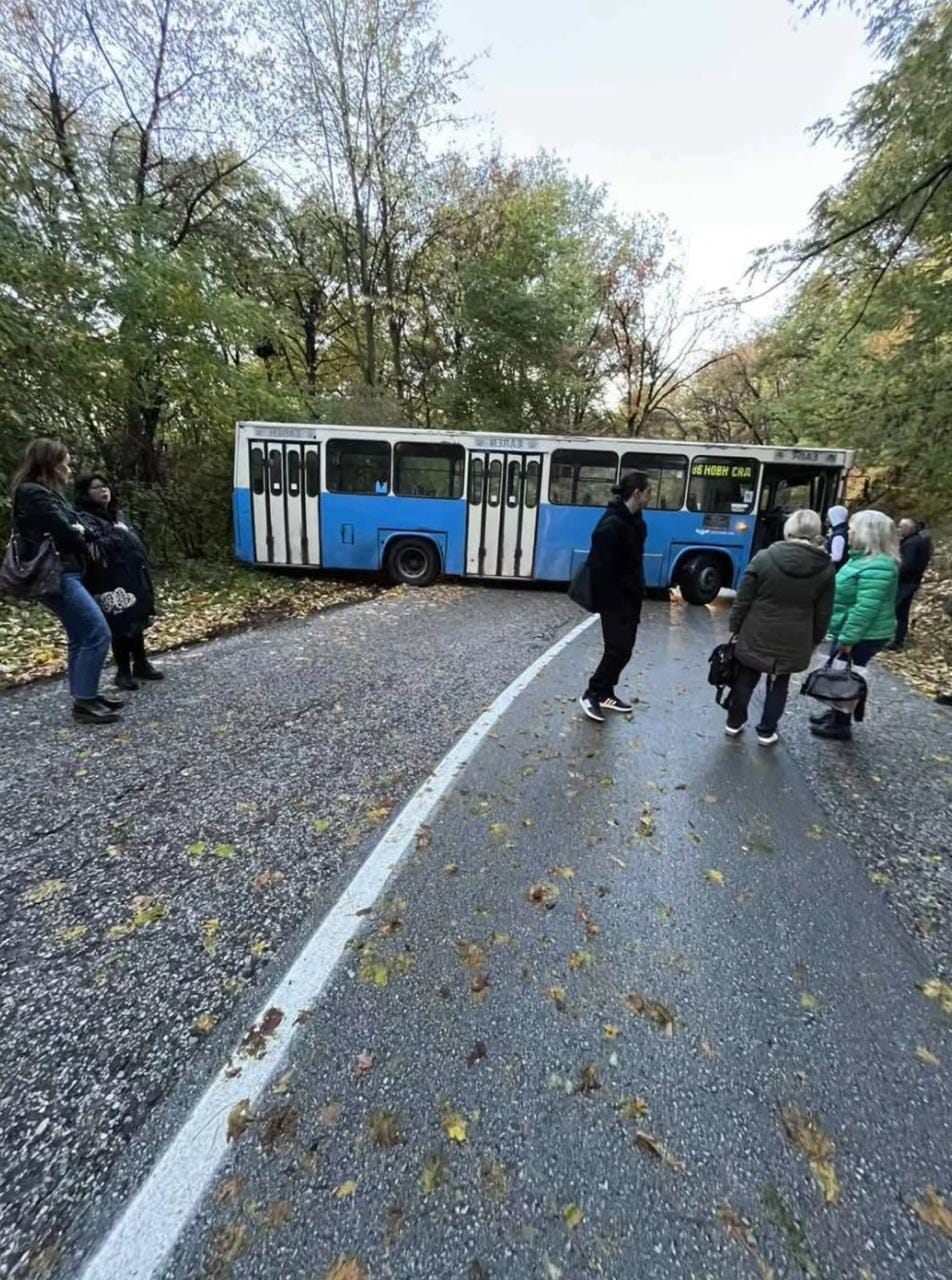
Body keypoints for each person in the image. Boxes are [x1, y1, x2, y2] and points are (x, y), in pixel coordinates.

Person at [10, 439, 122, 724]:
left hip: (68, 571)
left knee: (80, 636)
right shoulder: (32, 493)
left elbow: (76, 525)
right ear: (50, 463)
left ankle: (86, 695)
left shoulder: (48, 492)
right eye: (65, 461)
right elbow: (68, 530)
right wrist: (79, 530)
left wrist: (78, 528)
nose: (68, 467)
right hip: (56, 574)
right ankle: (85, 702)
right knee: (98, 633)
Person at [725, 509, 835, 746]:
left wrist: (735, 627)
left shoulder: (764, 557)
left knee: (745, 678)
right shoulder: (825, 568)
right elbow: (823, 611)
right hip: (795, 637)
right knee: (779, 684)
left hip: (757, 630)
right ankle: (766, 731)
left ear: (789, 528)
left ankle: (734, 722)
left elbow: (744, 597)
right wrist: (815, 640)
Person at [811, 509, 900, 741]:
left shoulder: (878, 566)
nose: (848, 533)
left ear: (867, 533)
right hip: (852, 628)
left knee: (848, 675)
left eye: (852, 529)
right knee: (841, 671)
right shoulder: (863, 559)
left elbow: (865, 608)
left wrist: (848, 639)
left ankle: (841, 724)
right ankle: (836, 714)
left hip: (863, 633)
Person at [74, 473, 163, 690]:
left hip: (132, 571)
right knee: (119, 620)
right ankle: (123, 671)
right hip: (107, 577)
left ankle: (141, 663)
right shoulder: (84, 518)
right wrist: (120, 534)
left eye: (105, 486)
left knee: (136, 617)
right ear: (86, 492)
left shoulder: (116, 514)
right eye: (97, 488)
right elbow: (97, 544)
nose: (104, 491)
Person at [579, 470, 651, 723]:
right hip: (615, 601)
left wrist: (637, 590)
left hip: (631, 599)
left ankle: (606, 693)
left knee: (625, 650)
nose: (650, 497)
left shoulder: (637, 522)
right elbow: (600, 569)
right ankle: (592, 692)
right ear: (636, 493)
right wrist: (613, 600)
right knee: (616, 649)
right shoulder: (611, 525)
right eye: (648, 491)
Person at [891, 516, 932, 650]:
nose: (898, 530)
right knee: (902, 613)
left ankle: (892, 639)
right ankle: (898, 641)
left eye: (901, 527)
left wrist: (894, 571)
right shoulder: (918, 541)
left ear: (909, 528)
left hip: (905, 582)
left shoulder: (912, 543)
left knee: (894, 609)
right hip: (912, 581)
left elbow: (906, 565)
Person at [825, 504, 849, 573]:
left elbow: (836, 556)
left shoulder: (838, 535)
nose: (827, 519)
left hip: (838, 570)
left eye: (829, 517)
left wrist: (821, 556)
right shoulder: (845, 530)